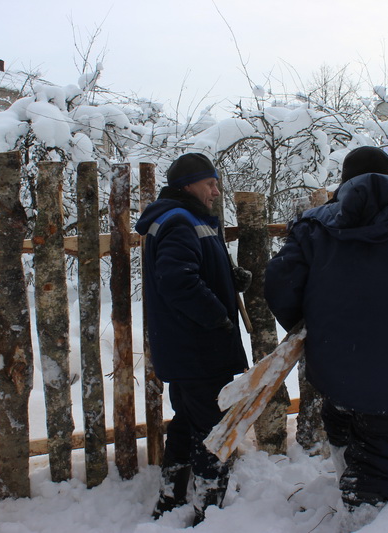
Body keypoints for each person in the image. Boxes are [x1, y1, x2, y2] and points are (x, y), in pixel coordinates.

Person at [264, 146, 388, 531]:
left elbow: (279, 285)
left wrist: (314, 329)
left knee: (340, 419)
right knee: (376, 451)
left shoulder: (315, 227)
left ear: (344, 180)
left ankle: (355, 499)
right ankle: (363, 507)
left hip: (333, 362)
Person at [134, 152, 250, 525]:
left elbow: (193, 269)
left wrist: (228, 279)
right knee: (214, 429)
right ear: (188, 185)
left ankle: (170, 498)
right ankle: (208, 511)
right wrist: (216, 315)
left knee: (186, 422)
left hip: (186, 348)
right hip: (199, 349)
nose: (216, 191)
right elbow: (177, 280)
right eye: (210, 184)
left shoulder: (185, 217)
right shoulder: (180, 221)